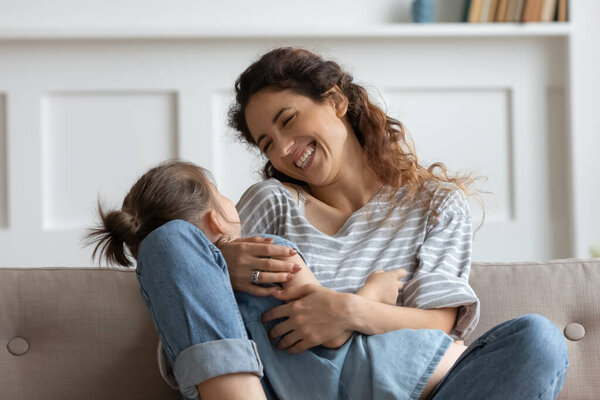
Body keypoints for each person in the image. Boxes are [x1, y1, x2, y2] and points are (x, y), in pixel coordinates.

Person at [221, 47, 568, 399]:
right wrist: (221, 261)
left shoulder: (436, 205)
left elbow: (439, 322)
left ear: (335, 100)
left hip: (429, 390)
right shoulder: (272, 202)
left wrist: (349, 310)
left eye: (289, 120)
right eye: (267, 144)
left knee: (539, 340)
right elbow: (214, 307)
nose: (283, 149)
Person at [86, 160, 453, 400]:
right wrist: (373, 291)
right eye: (224, 196)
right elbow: (334, 332)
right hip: (394, 375)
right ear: (217, 219)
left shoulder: (184, 319)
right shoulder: (273, 254)